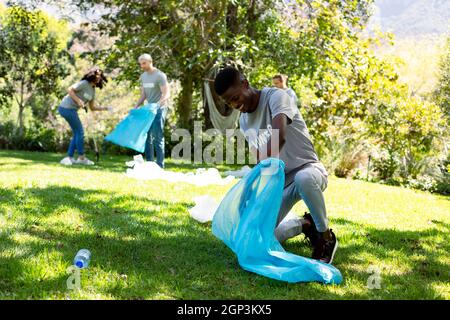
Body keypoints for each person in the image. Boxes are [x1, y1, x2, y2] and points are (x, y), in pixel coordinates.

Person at [214, 66, 338, 264]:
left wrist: (260, 169)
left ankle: (325, 236)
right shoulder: (245, 121)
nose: (235, 105)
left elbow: (279, 136)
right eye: (229, 102)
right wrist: (250, 190)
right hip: (280, 183)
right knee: (254, 238)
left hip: (308, 169)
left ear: (245, 84)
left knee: (303, 178)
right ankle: (305, 224)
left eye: (236, 98)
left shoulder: (276, 97)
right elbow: (260, 160)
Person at [58, 67, 111, 166]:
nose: (98, 77)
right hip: (66, 107)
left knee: (77, 133)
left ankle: (69, 157)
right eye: (96, 74)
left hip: (71, 110)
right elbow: (70, 90)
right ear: (92, 74)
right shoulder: (84, 83)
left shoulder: (92, 90)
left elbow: (92, 107)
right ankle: (81, 157)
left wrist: (106, 108)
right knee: (80, 132)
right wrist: (79, 101)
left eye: (99, 75)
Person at [133, 54, 170, 168]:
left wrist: (158, 104)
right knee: (147, 136)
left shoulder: (160, 75)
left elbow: (166, 93)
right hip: (148, 108)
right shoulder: (143, 76)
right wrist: (137, 106)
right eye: (141, 64)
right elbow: (144, 94)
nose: (142, 66)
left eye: (144, 63)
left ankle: (160, 165)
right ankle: (149, 164)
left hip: (160, 109)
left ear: (150, 61)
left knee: (158, 136)